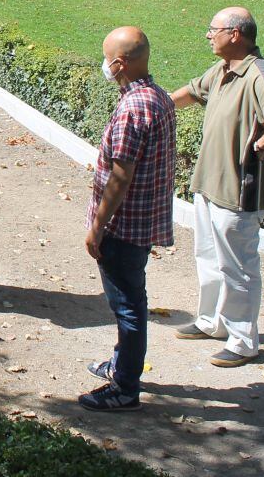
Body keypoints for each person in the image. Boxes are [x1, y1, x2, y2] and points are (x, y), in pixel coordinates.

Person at [170, 7, 264, 367]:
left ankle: (243, 341)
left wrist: (260, 146)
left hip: (237, 191)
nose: (208, 35)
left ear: (236, 34)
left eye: (214, 30)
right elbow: (193, 92)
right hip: (208, 185)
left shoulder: (258, 74)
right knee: (208, 257)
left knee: (239, 267)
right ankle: (213, 323)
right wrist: (156, 106)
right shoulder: (225, 69)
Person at [81, 27, 176, 412]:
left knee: (129, 307)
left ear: (119, 63)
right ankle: (121, 366)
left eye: (107, 58)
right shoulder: (158, 97)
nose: (105, 65)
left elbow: (121, 176)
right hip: (144, 221)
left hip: (123, 228)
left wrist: (97, 226)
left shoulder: (133, 108)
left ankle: (125, 388)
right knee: (131, 300)